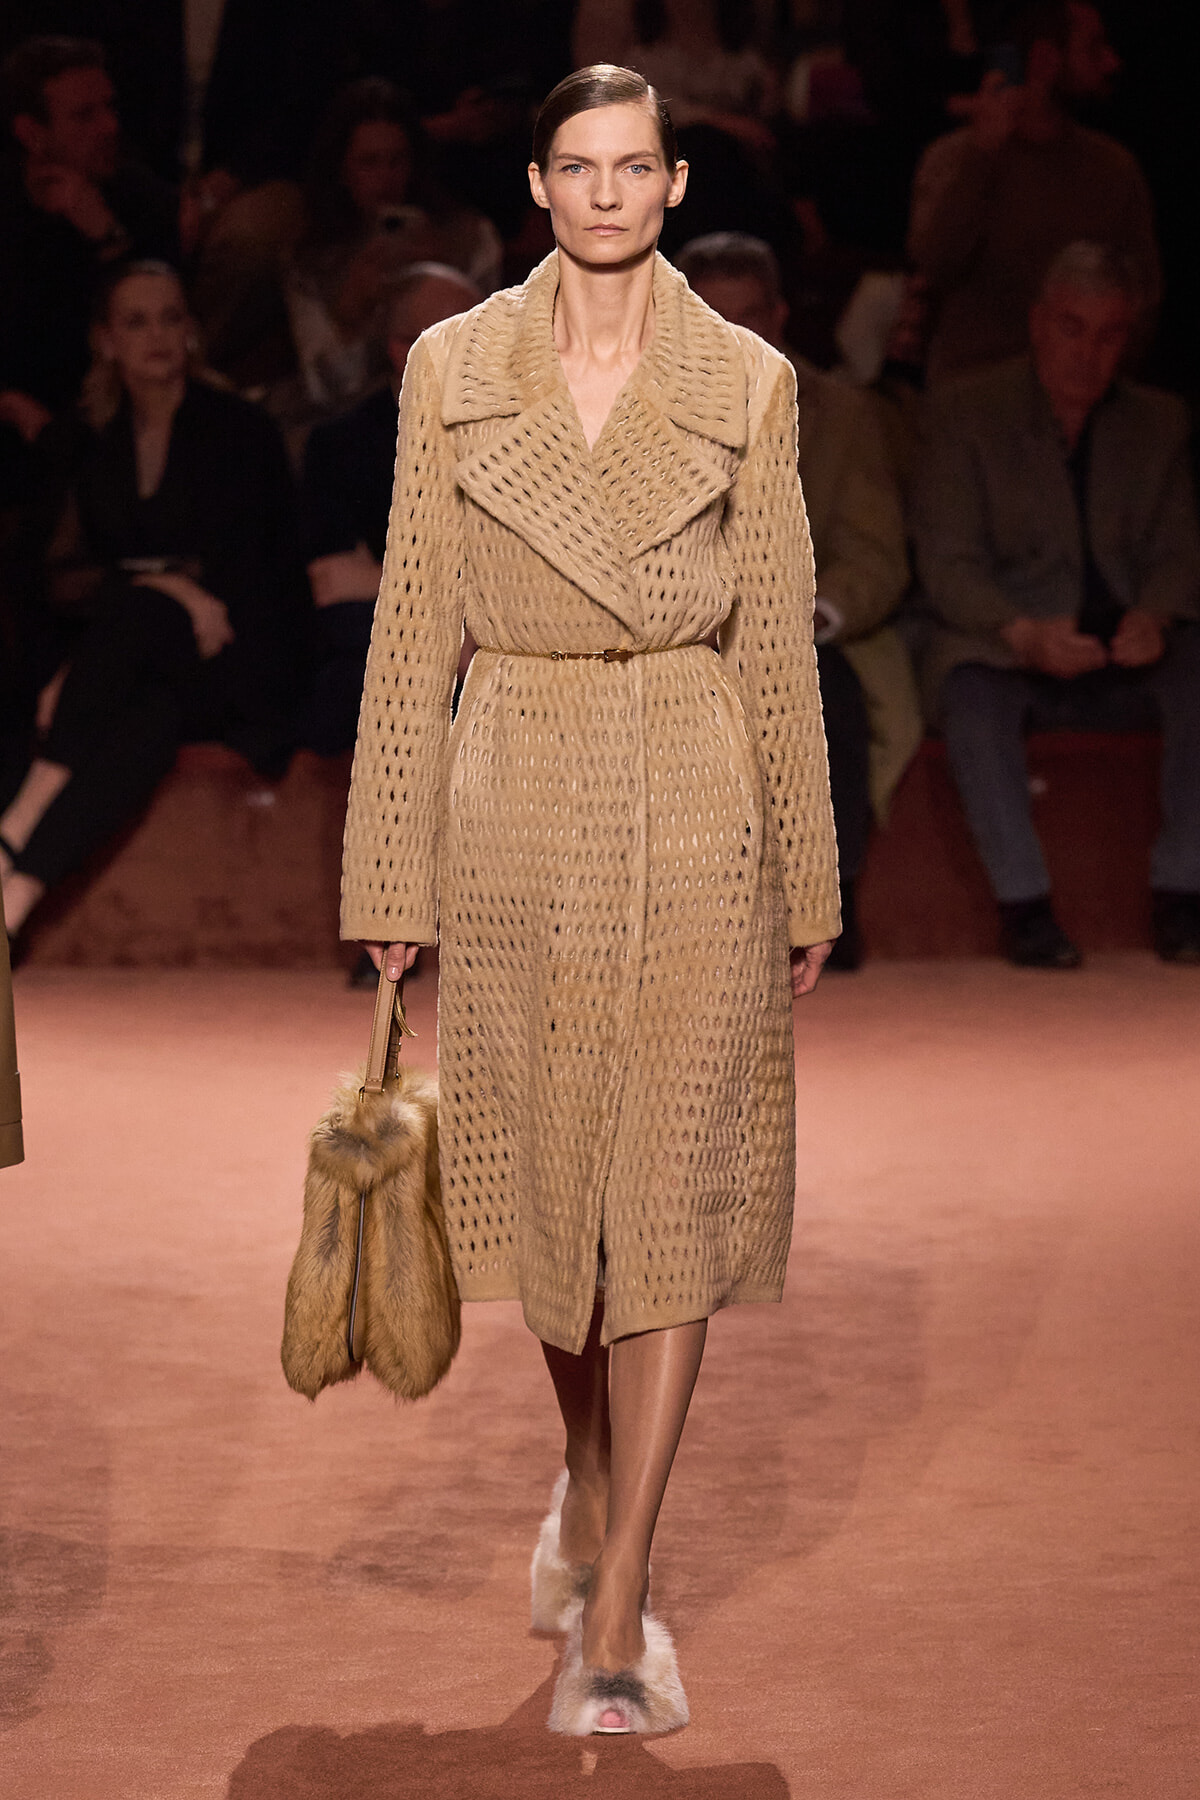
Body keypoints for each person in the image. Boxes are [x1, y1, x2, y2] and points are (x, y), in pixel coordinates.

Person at [340, 65, 840, 1735]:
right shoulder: (451, 370)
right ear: (540, 187)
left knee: (673, 1181)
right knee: (553, 1187)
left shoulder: (752, 384)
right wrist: (387, 867)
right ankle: (581, 1461)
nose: (610, 192)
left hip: (696, 781)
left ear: (676, 183)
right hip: (519, 785)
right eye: (580, 166)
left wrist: (809, 879)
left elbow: (777, 634)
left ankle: (621, 1600)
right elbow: (414, 620)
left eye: (637, 166)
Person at [913, 242, 1200, 967]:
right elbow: (947, 564)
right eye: (1074, 328)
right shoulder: (965, 411)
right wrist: (1022, 632)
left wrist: (1156, 615)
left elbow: (1177, 551)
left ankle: (1183, 894)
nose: (1090, 354)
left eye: (1110, 336)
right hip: (1010, 636)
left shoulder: (1158, 421)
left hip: (1123, 642)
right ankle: (1026, 907)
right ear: (1040, 324)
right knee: (969, 690)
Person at [0, 261, 303, 946]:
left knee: (139, 619)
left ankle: (16, 826)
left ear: (192, 332)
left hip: (233, 659)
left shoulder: (239, 432)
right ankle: (18, 893)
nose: (157, 335)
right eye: (136, 321)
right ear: (106, 340)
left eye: (171, 318)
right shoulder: (88, 440)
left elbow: (252, 579)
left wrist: (172, 597)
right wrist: (171, 586)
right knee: (148, 720)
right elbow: (59, 576)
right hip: (138, 674)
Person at [677, 230, 916, 965]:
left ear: (779, 317)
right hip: (678, 632)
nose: (728, 338)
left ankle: (823, 905)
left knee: (822, 696)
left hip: (809, 635)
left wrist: (806, 615)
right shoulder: (631, 413)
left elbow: (874, 554)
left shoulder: (843, 413)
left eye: (745, 318)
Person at [907, 1, 1160, 383]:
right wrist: (981, 158)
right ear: (1045, 59)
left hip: (1086, 394)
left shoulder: (1113, 169)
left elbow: (1144, 296)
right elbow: (935, 264)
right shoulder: (956, 157)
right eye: (1092, 48)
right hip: (976, 398)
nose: (1110, 62)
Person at [300, 262, 482, 757]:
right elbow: (334, 580)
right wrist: (458, 635)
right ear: (404, 351)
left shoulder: (528, 433)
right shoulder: (342, 444)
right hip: (403, 639)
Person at [0, 36, 178, 500]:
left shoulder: (140, 199)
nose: (109, 126)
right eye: (85, 116)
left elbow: (163, 319)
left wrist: (106, 235)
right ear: (31, 133)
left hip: (111, 420)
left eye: (109, 108)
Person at [283, 79, 500, 420]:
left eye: (396, 160)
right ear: (341, 170)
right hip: (357, 427)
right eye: (369, 163)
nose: (386, 177)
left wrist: (446, 275)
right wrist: (351, 310)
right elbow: (325, 390)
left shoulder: (471, 239)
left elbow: (491, 360)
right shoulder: (312, 262)